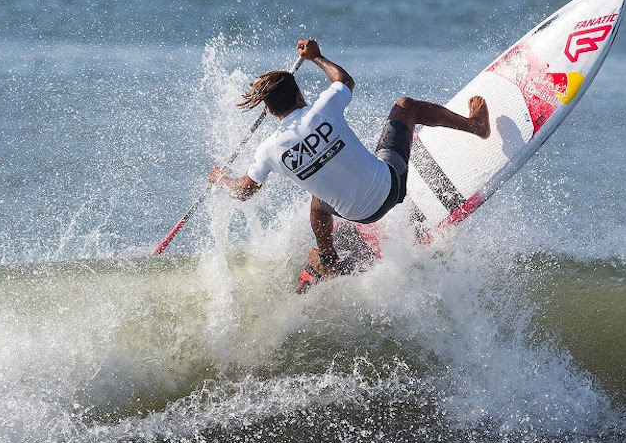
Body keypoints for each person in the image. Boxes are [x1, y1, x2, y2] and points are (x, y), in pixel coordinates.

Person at [208, 38, 490, 277]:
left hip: (357, 215)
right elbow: (344, 80)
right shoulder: (321, 109)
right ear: (298, 95)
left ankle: (327, 258)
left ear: (269, 112)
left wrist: (221, 178)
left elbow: (244, 191)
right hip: (391, 187)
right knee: (406, 106)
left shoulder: (268, 151)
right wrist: (316, 56)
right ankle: (475, 126)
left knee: (318, 200)